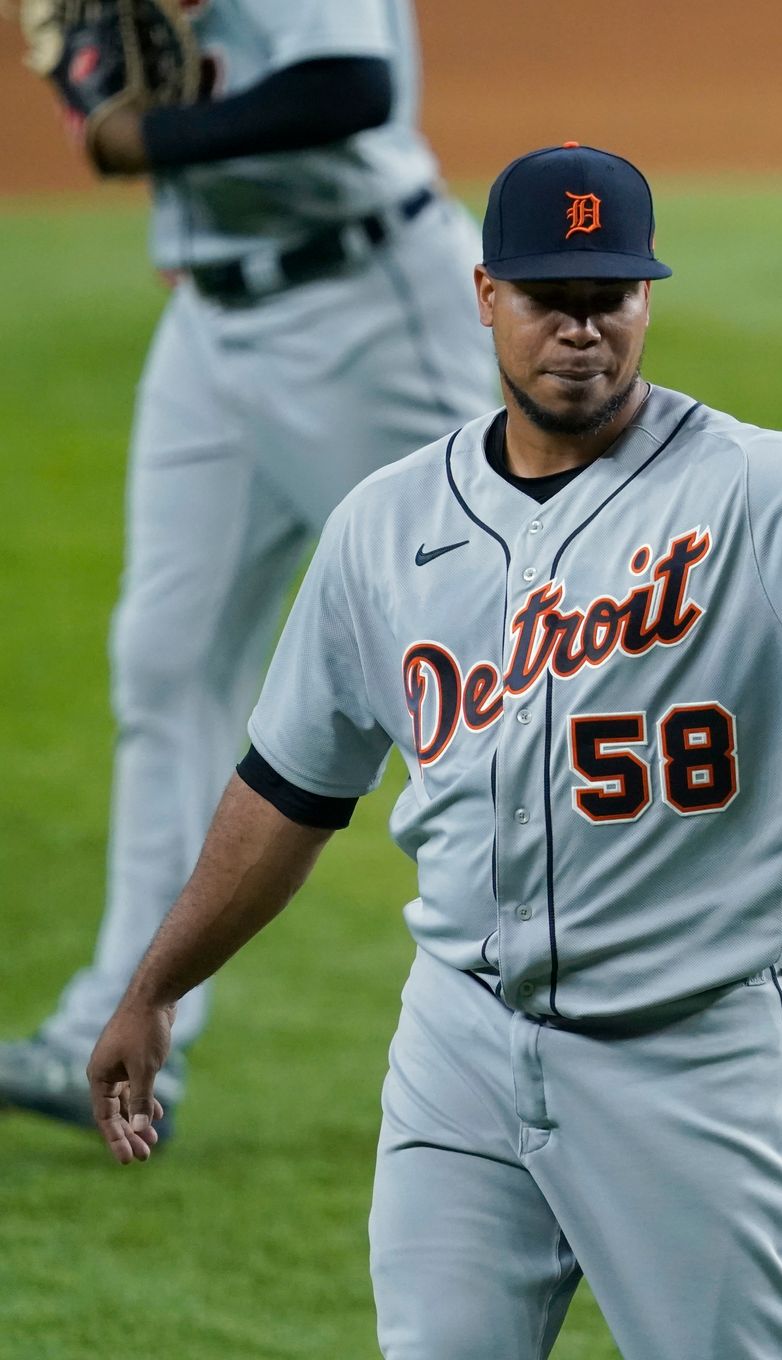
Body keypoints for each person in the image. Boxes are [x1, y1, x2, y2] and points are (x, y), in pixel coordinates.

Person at [83, 141, 782, 1360]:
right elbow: (289, 789)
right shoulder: (385, 527)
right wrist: (157, 983)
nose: (582, 330)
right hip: (462, 1047)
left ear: (648, 301)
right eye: (550, 299)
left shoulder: (756, 488)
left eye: (611, 298)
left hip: (697, 1058)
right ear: (486, 297)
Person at [1, 0, 497, 1141]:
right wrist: (96, 87)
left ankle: (691, 893)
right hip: (213, 330)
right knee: (167, 662)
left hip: (367, 315)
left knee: (488, 656)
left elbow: (347, 90)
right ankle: (129, 1031)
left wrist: (143, 139)